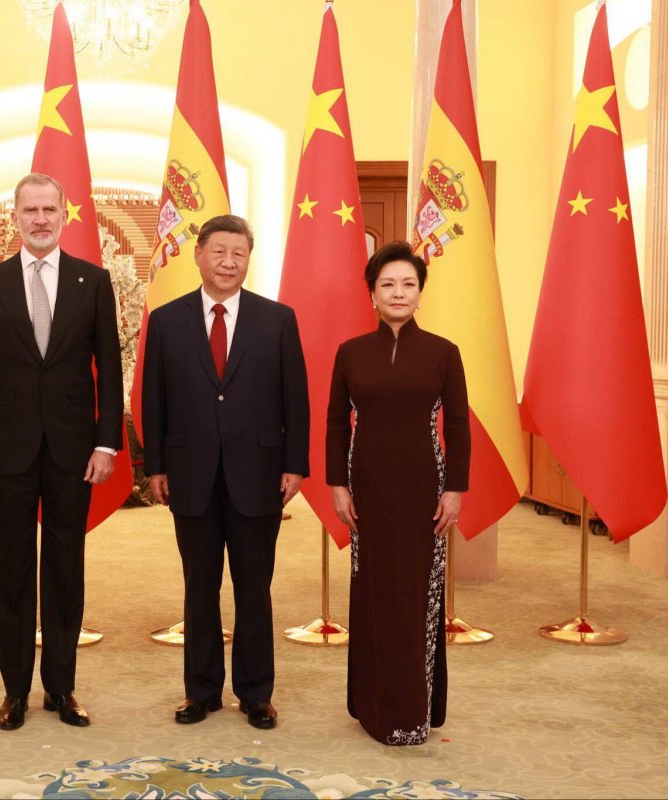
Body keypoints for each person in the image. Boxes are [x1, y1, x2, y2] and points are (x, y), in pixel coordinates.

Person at [0, 173, 123, 731]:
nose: (40, 219)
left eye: (49, 209)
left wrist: (106, 442)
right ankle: (14, 692)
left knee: (64, 569)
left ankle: (62, 688)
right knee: (11, 570)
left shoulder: (93, 281)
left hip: (75, 451)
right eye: (30, 210)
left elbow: (110, 370)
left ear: (64, 214)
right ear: (15, 216)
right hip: (4, 454)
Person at [141, 214, 309, 730]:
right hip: (189, 474)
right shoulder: (167, 320)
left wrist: (295, 466)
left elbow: (295, 401)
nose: (229, 262)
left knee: (254, 587)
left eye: (239, 253)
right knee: (200, 586)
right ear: (199, 254)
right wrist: (156, 467)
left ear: (247, 259)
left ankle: (256, 693)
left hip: (258, 474)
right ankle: (201, 691)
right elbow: (154, 400)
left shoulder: (277, 319)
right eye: (219, 251)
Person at [326, 240, 470, 746]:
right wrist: (337, 486)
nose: (398, 292)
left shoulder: (443, 353)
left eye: (408, 283)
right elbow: (335, 425)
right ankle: (370, 703)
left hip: (422, 490)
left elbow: (457, 425)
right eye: (387, 283)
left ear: (420, 292)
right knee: (371, 591)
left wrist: (454, 489)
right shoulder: (350, 353)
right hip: (363, 488)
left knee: (414, 594)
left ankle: (411, 711)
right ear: (372, 293)